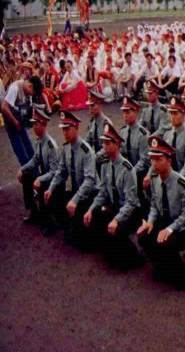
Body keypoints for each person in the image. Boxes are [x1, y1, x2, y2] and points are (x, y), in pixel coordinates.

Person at [137, 135, 185, 290]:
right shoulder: (155, 181)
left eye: (159, 159)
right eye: (152, 159)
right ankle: (162, 266)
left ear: (169, 161)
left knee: (165, 242)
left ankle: (182, 275)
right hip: (166, 222)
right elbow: (154, 206)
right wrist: (150, 221)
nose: (154, 164)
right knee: (143, 236)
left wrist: (170, 229)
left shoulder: (182, 184)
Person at [84, 123, 144, 270]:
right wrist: (91, 209)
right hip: (116, 206)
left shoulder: (127, 169)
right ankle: (112, 251)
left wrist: (116, 219)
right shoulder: (105, 165)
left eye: (108, 143)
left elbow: (130, 203)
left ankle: (135, 257)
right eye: (103, 142)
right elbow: (103, 192)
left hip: (131, 211)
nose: (104, 146)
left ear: (117, 144)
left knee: (117, 228)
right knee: (96, 216)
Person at [51, 110, 99, 250]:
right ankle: (69, 225)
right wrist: (51, 188)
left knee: (84, 245)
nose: (65, 133)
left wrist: (75, 199)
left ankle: (78, 226)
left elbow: (90, 182)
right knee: (54, 194)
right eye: (63, 130)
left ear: (76, 128)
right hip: (77, 192)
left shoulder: (86, 151)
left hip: (90, 195)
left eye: (68, 129)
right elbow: (61, 172)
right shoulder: (66, 148)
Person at [22, 109, 60, 233]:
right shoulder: (39, 142)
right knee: (26, 175)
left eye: (36, 124)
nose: (33, 127)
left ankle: (50, 222)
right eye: (33, 124)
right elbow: (35, 160)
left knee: (42, 183)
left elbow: (54, 172)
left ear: (43, 124)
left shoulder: (51, 146)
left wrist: (40, 179)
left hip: (54, 182)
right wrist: (22, 169)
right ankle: (34, 212)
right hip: (45, 177)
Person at [2, 74, 41, 166]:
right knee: (19, 148)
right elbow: (4, 107)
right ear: (30, 86)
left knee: (27, 144)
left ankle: (34, 168)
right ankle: (27, 171)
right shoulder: (15, 88)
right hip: (11, 121)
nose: (31, 95)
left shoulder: (28, 92)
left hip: (20, 119)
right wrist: (14, 122)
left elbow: (29, 107)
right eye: (33, 92)